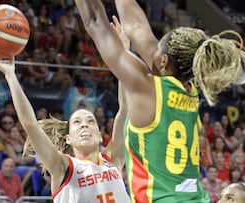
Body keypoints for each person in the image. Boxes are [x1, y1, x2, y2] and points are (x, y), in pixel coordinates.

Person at [75, 0, 244, 201]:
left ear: (163, 61)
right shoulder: (190, 90)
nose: (151, 50)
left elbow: (95, 20)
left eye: (157, 49)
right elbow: (137, 28)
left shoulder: (147, 88)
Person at [0, 50, 130, 202]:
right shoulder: (63, 166)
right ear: (68, 139)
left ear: (100, 136)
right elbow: (30, 125)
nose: (84, 125)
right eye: (77, 122)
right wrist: (10, 75)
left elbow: (124, 110)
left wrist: (122, 53)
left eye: (90, 121)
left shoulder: (113, 159)